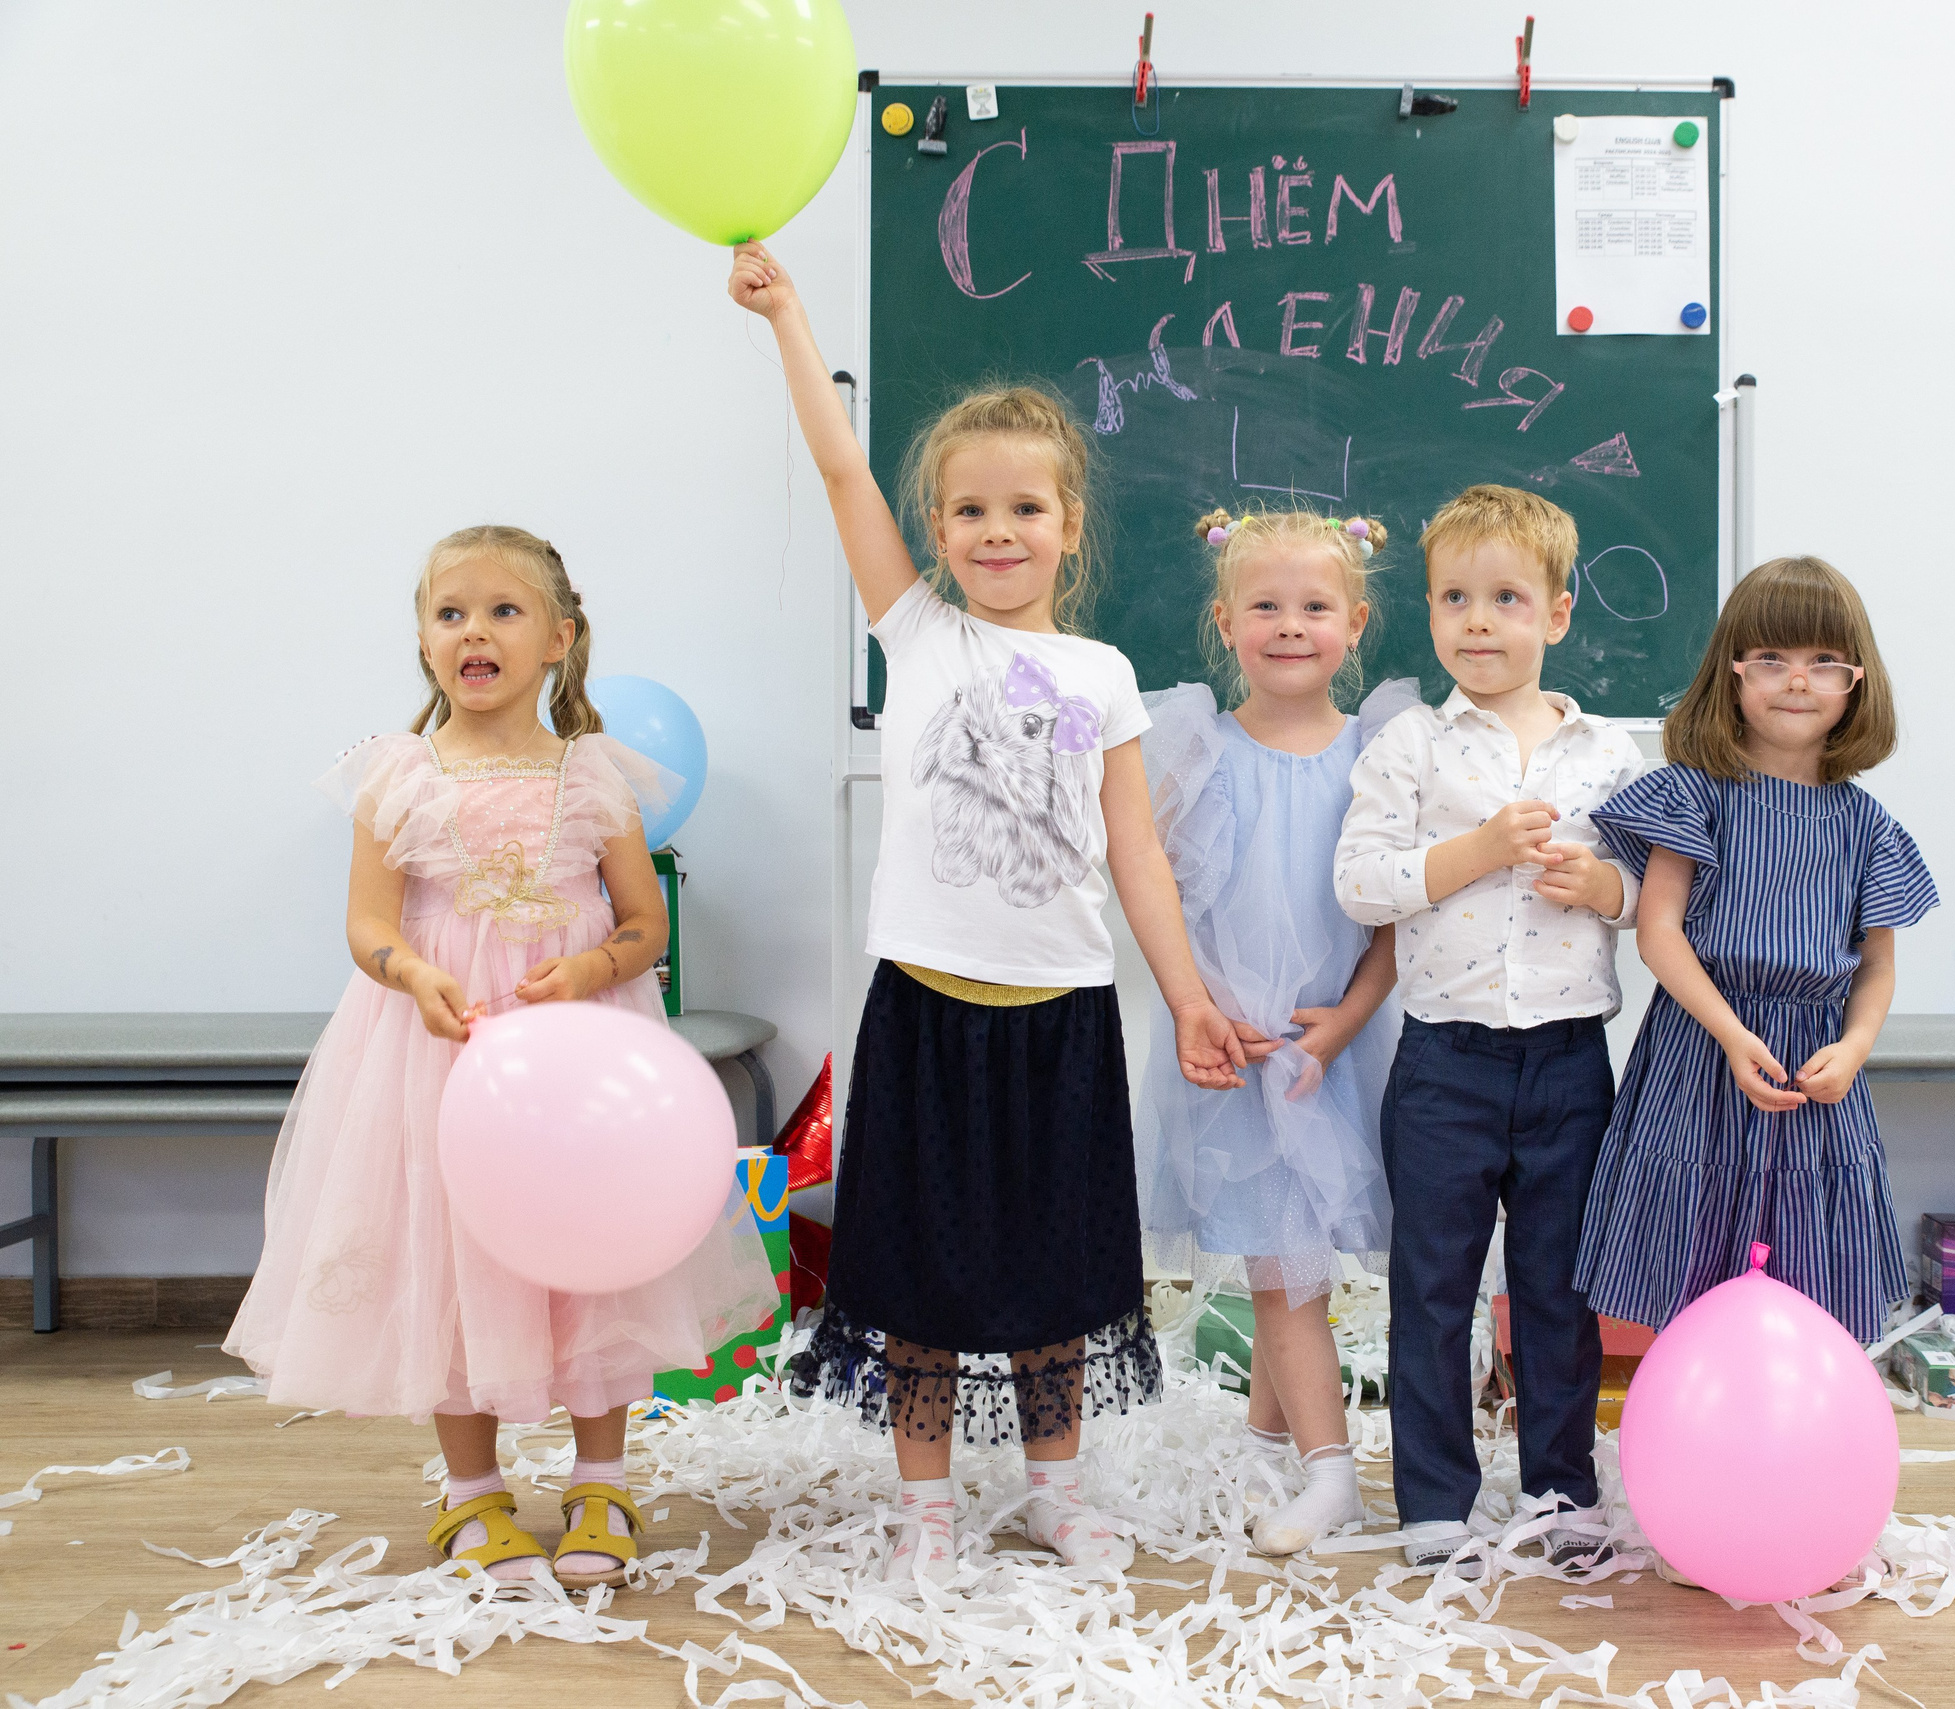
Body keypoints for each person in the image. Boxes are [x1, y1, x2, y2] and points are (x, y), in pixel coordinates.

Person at [725, 242, 1250, 1582]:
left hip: (1061, 1018)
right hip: (927, 1011)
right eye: (969, 512)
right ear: (940, 528)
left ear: (1071, 523)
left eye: (1025, 509)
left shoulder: (1104, 670)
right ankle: (926, 1506)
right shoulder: (916, 635)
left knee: (1058, 1275)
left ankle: (1057, 1489)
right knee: (914, 1276)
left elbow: (1137, 854)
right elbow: (845, 472)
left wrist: (1188, 996)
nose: (997, 533)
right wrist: (790, 318)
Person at [225, 525, 775, 1589]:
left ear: (560, 639)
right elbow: (369, 924)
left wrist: (591, 968)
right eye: (450, 612)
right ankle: (472, 1491)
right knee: (451, 1254)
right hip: (443, 1050)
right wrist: (410, 972)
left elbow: (641, 923)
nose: (474, 630)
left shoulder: (594, 774)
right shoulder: (399, 774)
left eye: (504, 611)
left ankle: (601, 1476)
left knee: (597, 1256)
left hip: (581, 1060)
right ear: (425, 642)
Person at [1332, 485, 1648, 1575]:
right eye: (1454, 597)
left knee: (1558, 1291)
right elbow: (1363, 884)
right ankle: (1432, 1500)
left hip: (1568, 1059)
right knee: (1431, 1288)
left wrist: (1597, 882)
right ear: (1427, 610)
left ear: (1556, 614)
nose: (1478, 620)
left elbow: (1653, 897)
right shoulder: (1409, 746)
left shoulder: (1609, 755)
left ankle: (1562, 1489)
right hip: (1444, 1063)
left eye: (1505, 597)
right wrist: (1478, 849)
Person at [1136, 507, 1414, 1556]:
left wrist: (1346, 1018)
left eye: (1313, 606)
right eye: (1264, 605)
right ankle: (1313, 1461)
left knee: (1293, 1258)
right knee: (1277, 1257)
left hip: (1335, 1043)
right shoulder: (1198, 748)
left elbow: (1398, 910)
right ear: (1223, 619)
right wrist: (1199, 999)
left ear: (1355, 619)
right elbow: (1156, 884)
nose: (1289, 625)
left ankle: (1310, 1461)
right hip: (1234, 1043)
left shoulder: (1377, 751)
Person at [1575, 555, 1938, 1346]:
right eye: (1771, 658)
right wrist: (1733, 1035)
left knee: (1810, 1272)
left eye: (1823, 662)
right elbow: (1658, 932)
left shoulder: (1867, 825)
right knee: (1693, 1261)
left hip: (1815, 1068)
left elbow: (1877, 963)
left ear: (1856, 683)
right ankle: (1697, 1440)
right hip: (1702, 1050)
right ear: (1732, 672)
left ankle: (1794, 1446)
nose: (1796, 680)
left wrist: (1855, 1046)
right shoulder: (1695, 791)